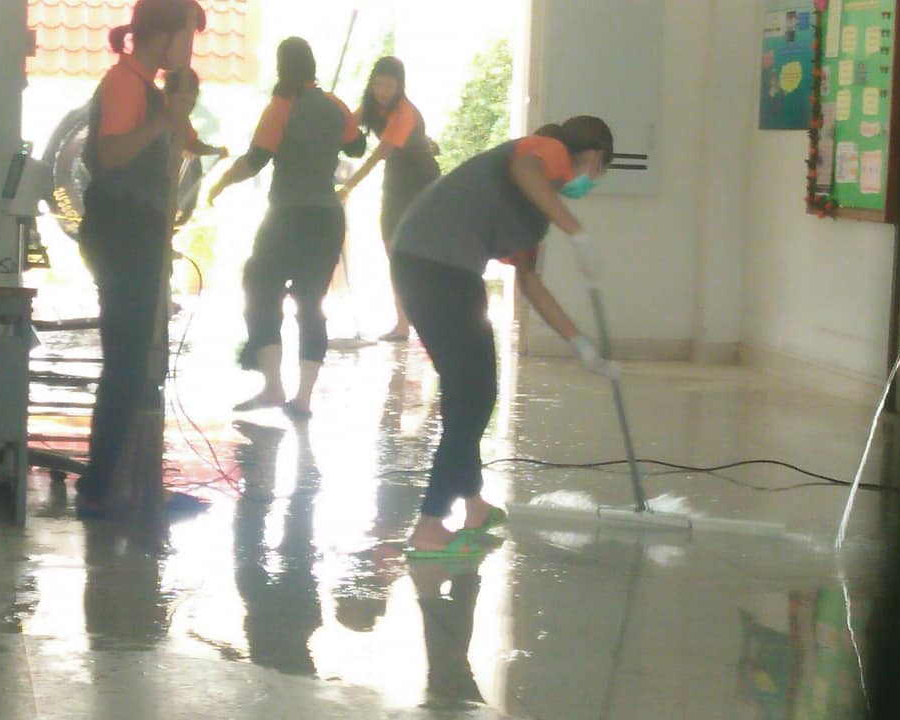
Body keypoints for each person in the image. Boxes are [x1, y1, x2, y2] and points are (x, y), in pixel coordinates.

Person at [390, 116, 618, 555]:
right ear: (592, 155)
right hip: (440, 267)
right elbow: (526, 169)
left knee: (465, 391)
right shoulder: (546, 149)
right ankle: (430, 526)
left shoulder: (536, 216)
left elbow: (530, 282)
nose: (594, 180)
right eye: (600, 169)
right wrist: (578, 232)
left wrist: (581, 344)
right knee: (475, 394)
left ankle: (473, 505)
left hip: (428, 264)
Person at [76, 0, 205, 516]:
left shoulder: (147, 87)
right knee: (127, 363)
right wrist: (163, 121)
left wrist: (175, 123)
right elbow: (110, 155)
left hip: (137, 235)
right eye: (187, 38)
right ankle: (100, 489)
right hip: (121, 236)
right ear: (163, 35)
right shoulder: (124, 84)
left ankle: (131, 481)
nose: (189, 50)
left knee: (137, 361)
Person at [209, 37, 366, 420]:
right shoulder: (334, 106)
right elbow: (357, 147)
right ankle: (303, 398)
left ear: (282, 67)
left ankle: (273, 385)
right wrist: (338, 124)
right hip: (326, 219)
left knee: (260, 289)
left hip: (286, 217)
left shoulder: (281, 107)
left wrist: (222, 182)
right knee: (311, 303)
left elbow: (256, 159)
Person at [337, 56, 440, 341]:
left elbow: (378, 155)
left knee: (416, 251)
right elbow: (347, 126)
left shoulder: (404, 112)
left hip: (420, 180)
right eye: (378, 84)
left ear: (399, 86)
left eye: (389, 86)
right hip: (396, 178)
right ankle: (402, 324)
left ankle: (428, 317)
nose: (382, 91)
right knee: (392, 248)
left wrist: (348, 187)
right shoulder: (371, 106)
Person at [163, 67, 229, 160]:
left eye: (192, 103)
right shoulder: (156, 116)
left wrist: (217, 151)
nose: (188, 109)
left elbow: (193, 145)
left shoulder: (182, 120)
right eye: (183, 101)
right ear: (168, 95)